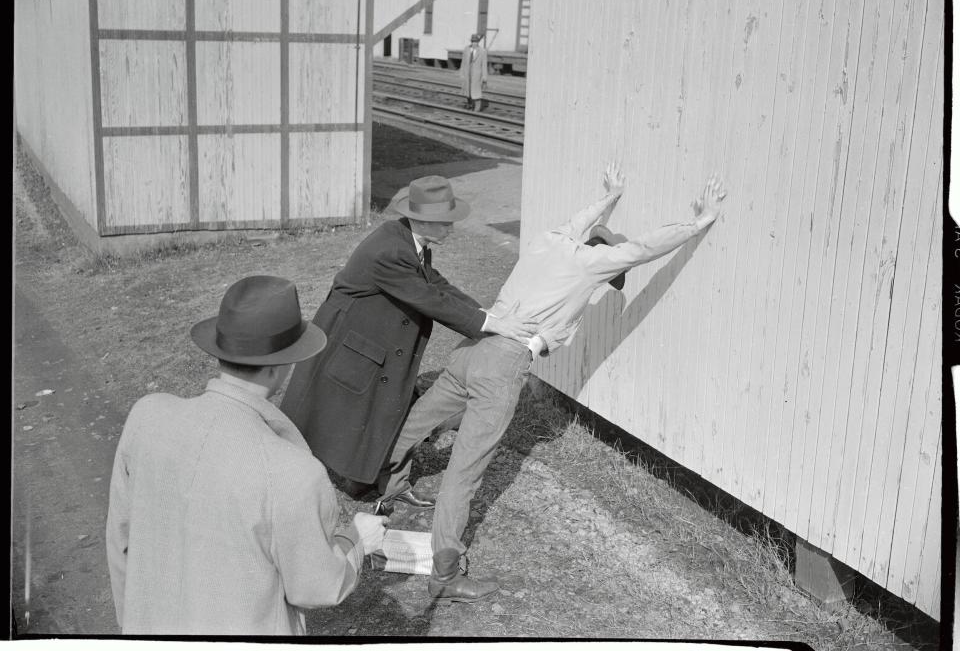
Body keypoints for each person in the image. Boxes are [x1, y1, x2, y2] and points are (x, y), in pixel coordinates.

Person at [381, 165, 728, 602]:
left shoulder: (551, 240)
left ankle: (385, 485)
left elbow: (580, 219)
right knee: (464, 473)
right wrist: (699, 222)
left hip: (472, 347)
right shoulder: (591, 265)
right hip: (503, 362)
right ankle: (445, 576)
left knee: (418, 419)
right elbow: (644, 248)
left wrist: (611, 196)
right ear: (602, 255)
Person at [105, 276, 387, 635]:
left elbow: (119, 542)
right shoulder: (293, 471)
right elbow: (317, 586)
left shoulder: (147, 416)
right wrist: (357, 541)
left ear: (220, 349)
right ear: (280, 366)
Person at [280, 175, 535, 510]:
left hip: (371, 338)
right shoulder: (390, 250)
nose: (452, 229)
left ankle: (368, 477)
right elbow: (429, 299)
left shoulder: (408, 240)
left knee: (372, 409)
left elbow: (434, 284)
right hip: (356, 342)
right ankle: (352, 477)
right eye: (446, 223)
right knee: (349, 410)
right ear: (422, 221)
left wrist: (481, 311)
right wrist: (490, 324)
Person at [459, 33, 488, 111]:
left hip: (477, 75)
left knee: (476, 92)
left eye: (475, 42)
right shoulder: (466, 49)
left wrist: (484, 77)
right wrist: (462, 73)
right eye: (472, 41)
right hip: (467, 73)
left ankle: (477, 108)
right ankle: (470, 104)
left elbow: (484, 65)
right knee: (468, 90)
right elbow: (463, 62)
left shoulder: (482, 51)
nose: (474, 43)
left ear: (478, 42)